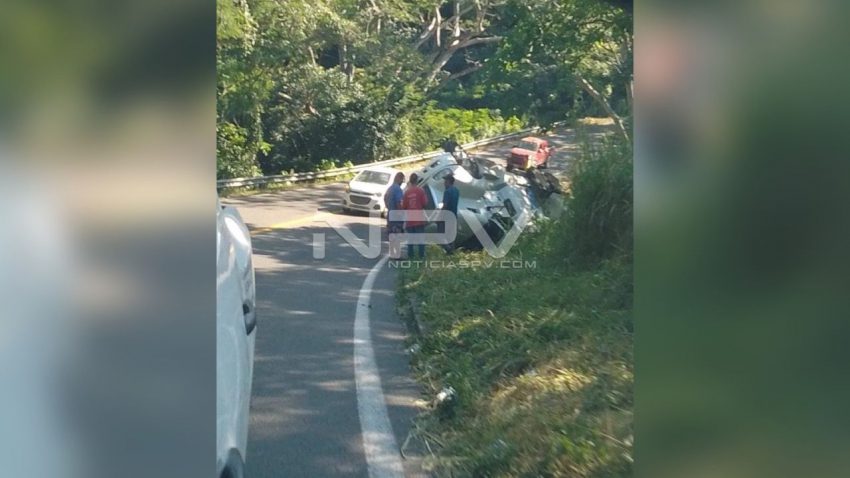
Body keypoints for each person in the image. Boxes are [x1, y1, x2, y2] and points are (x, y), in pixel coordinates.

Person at [402, 173, 427, 259]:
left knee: (410, 239)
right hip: (419, 219)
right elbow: (425, 203)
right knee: (421, 239)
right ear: (417, 180)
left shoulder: (407, 192)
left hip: (410, 219)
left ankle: (410, 256)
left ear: (410, 181)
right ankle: (421, 256)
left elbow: (404, 206)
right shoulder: (421, 191)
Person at [384, 172, 405, 259]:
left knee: (391, 235)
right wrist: (401, 213)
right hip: (396, 216)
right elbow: (399, 202)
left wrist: (389, 207)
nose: (402, 182)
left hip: (390, 214)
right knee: (397, 234)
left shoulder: (390, 188)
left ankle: (392, 253)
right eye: (402, 180)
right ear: (399, 179)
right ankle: (397, 255)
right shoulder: (398, 190)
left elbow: (385, 198)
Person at [441, 173, 460, 253]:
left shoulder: (447, 192)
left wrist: (440, 215)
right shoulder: (456, 190)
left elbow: (445, 205)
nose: (444, 183)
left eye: (445, 181)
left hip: (447, 216)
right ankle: (452, 251)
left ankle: (448, 250)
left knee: (442, 235)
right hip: (454, 215)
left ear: (448, 181)